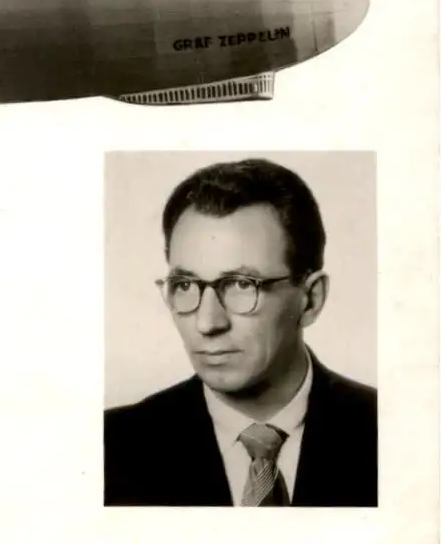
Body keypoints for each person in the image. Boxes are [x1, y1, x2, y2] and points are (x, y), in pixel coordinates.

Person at [104, 157, 377, 507]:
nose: (207, 323)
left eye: (241, 284)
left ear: (310, 300)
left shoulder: (399, 430)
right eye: (185, 285)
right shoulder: (109, 448)